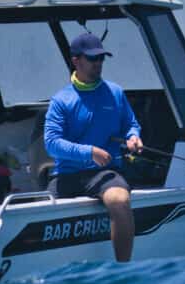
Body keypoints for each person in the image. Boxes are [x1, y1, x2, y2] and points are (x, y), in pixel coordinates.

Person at [44, 32, 143, 262]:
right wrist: (89, 152)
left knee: (119, 200)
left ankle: (122, 269)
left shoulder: (115, 92)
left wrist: (133, 137)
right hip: (66, 175)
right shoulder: (60, 100)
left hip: (104, 174)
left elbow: (130, 124)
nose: (98, 63)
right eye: (92, 58)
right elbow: (51, 143)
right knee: (35, 212)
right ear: (76, 60)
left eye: (101, 58)